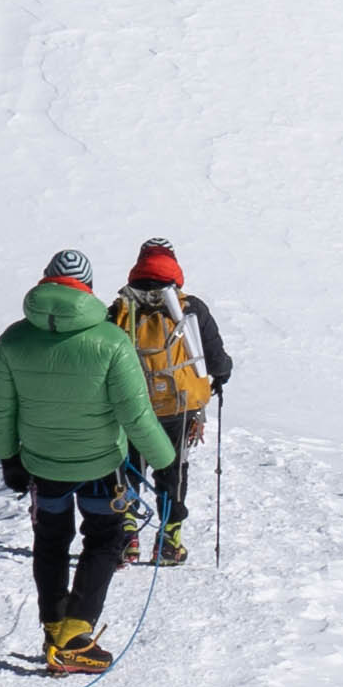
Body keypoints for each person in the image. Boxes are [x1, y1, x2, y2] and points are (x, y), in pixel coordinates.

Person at [0, 248, 166, 673]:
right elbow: (134, 413)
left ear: (45, 280)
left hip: (43, 467)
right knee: (103, 540)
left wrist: (10, 457)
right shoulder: (111, 340)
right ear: (87, 288)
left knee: (50, 543)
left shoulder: (13, 339)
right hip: (101, 465)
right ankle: (75, 636)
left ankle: (52, 627)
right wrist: (165, 460)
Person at [114, 239, 233, 566]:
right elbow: (216, 358)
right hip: (179, 409)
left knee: (129, 467)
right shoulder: (189, 307)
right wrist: (221, 376)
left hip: (133, 406)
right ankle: (169, 540)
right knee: (173, 469)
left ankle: (127, 536)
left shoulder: (121, 309)